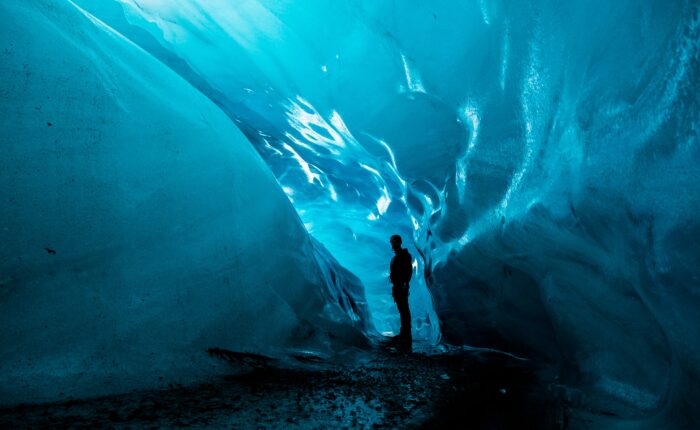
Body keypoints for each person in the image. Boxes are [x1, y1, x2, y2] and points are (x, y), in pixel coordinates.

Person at [389, 234, 412, 346]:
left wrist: (405, 283)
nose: (392, 245)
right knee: (402, 309)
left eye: (393, 242)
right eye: (391, 243)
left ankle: (406, 334)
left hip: (401, 286)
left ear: (398, 242)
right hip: (397, 287)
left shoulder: (404, 256)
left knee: (404, 309)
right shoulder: (396, 258)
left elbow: (408, 270)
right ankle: (404, 333)